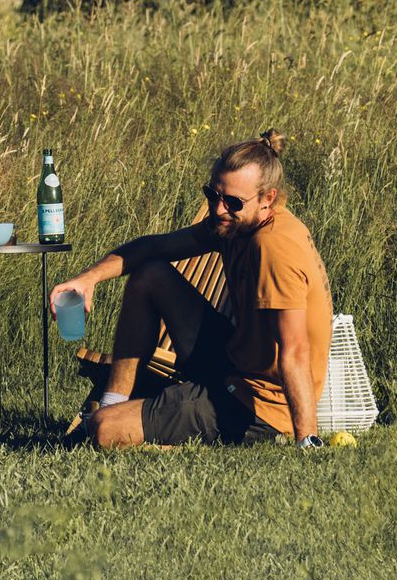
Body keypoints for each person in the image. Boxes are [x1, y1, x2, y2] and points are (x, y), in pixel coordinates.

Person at [46, 130, 334, 449]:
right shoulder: (236, 224)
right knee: (150, 274)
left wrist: (307, 437)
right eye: (213, 195)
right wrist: (87, 279)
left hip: (259, 404)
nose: (218, 209)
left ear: (268, 199)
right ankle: (116, 403)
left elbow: (295, 350)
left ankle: (140, 425)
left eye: (233, 202)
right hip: (233, 363)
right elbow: (154, 247)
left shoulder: (274, 247)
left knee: (102, 430)